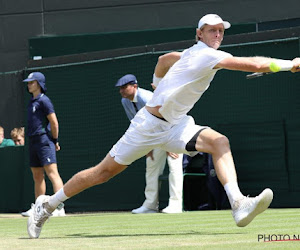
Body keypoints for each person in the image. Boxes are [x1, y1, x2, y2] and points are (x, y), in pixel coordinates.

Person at [27, 14, 300, 239]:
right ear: (199, 34)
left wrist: (157, 83)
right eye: (211, 31)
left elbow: (163, 60)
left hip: (176, 125)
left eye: (221, 31)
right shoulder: (206, 55)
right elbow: (252, 63)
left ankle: (238, 204)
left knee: (219, 142)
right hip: (146, 126)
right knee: (102, 173)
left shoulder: (190, 54)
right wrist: (290, 64)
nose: (217, 35)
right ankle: (47, 205)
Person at [115, 74, 183, 214]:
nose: (121, 91)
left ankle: (175, 205)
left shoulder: (147, 97)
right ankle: (150, 205)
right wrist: (146, 146)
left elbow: (166, 117)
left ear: (134, 86)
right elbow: (136, 123)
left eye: (124, 87)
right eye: (120, 88)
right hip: (154, 136)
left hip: (173, 130)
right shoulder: (125, 102)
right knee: (151, 166)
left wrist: (170, 144)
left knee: (174, 165)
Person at [21, 72, 65, 217]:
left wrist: (55, 140)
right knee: (37, 175)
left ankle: (59, 208)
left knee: (52, 173)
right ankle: (38, 209)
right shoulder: (31, 102)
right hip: (32, 141)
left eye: (31, 82)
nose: (29, 85)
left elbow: (54, 122)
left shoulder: (44, 101)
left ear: (39, 84)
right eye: (28, 82)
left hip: (44, 140)